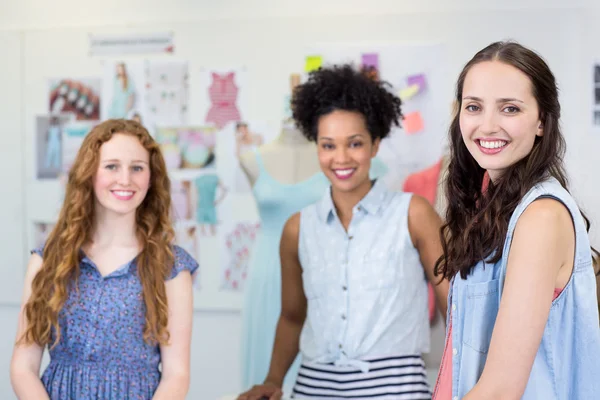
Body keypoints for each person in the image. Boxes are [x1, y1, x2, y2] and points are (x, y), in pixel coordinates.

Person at [238, 64, 448, 400]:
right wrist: (273, 380)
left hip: (396, 390)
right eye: (328, 145)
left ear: (375, 144)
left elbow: (453, 307)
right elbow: (292, 317)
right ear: (316, 148)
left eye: (354, 143)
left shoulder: (413, 214)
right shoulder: (297, 229)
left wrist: (467, 381)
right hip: (314, 389)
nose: (341, 158)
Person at [432, 41, 600, 400]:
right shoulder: (489, 210)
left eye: (509, 108)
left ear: (542, 121)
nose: (487, 125)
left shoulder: (541, 216)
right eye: (474, 106)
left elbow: (501, 390)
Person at [10, 119, 198, 399]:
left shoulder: (171, 267)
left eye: (137, 167)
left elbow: (177, 374)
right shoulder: (48, 260)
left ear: (151, 177)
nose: (125, 179)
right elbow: (23, 367)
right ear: (89, 173)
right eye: (112, 166)